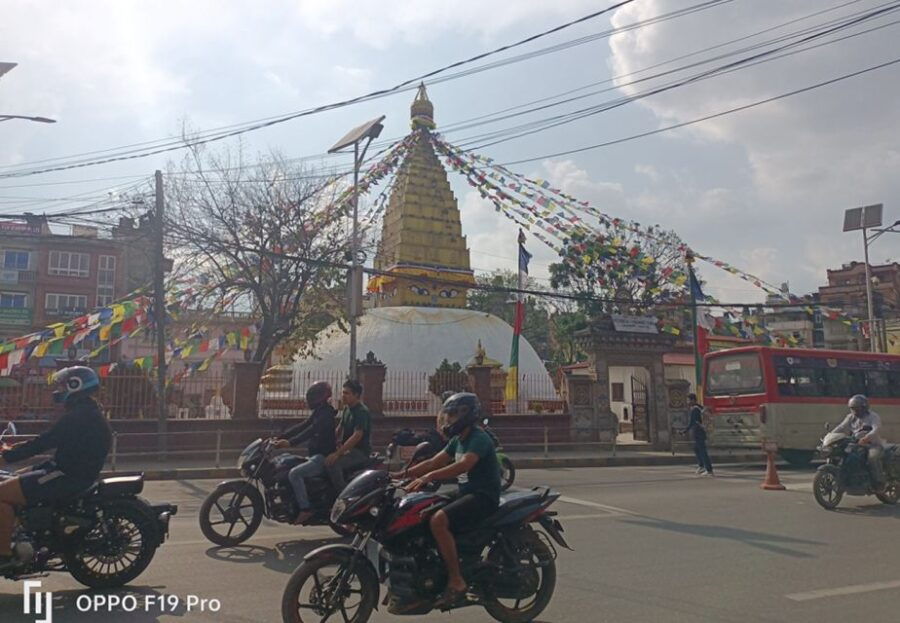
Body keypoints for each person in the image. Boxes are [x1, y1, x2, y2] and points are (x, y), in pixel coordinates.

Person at [0, 367, 112, 569]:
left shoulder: (80, 416)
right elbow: (50, 441)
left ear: (75, 385)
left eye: (62, 385)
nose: (58, 389)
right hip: (65, 470)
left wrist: (7, 457)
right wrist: (13, 451)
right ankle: (18, 533)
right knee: (10, 479)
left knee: (2, 494)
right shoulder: (85, 412)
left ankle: (5, 554)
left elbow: (45, 442)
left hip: (67, 476)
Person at [399, 392, 501, 609]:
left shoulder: (478, 438)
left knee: (439, 520)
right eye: (448, 415)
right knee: (424, 507)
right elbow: (434, 462)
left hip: (484, 496)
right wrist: (401, 475)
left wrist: (429, 477)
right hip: (466, 492)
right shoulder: (457, 440)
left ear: (466, 415)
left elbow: (463, 465)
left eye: (453, 415)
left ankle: (457, 581)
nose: (449, 420)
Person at [271, 381, 337, 524]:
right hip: (313, 456)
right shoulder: (319, 412)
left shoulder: (326, 414)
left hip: (322, 457)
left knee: (295, 474)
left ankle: (305, 509)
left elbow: (310, 431)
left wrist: (289, 443)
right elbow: (302, 426)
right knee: (283, 460)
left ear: (318, 398)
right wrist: (281, 437)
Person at [325, 379, 372, 493]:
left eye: (347, 393)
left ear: (356, 395)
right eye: (343, 392)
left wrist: (337, 454)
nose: (343, 396)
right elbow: (339, 428)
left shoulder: (361, 412)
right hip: (348, 450)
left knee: (333, 464)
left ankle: (343, 495)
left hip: (359, 452)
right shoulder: (347, 409)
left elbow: (357, 435)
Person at [830, 394, 885, 489]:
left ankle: (878, 482)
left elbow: (876, 429)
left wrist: (866, 438)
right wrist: (830, 435)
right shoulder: (851, 417)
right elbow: (841, 427)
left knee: (872, 458)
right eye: (852, 409)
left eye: (857, 409)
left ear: (864, 407)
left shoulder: (873, 416)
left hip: (873, 445)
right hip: (856, 444)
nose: (854, 411)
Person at [683, 393, 714, 477]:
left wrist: (684, 431)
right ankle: (702, 466)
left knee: (702, 451)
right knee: (697, 449)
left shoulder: (695, 409)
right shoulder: (699, 407)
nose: (687, 402)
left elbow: (692, 422)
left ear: (693, 400)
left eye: (689, 400)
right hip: (699, 432)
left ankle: (709, 470)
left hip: (699, 433)